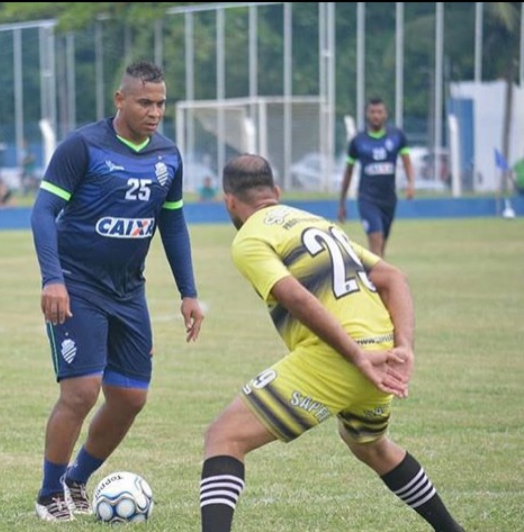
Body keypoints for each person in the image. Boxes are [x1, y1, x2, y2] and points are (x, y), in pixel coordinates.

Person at [199, 153, 465, 532]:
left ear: (228, 201)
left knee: (223, 438)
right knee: (370, 446)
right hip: (382, 351)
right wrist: (404, 347)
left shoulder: (250, 237)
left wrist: (357, 356)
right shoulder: (315, 222)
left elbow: (295, 297)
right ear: (276, 191)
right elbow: (392, 276)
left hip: (343, 356)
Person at [30, 60, 205, 522]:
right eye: (145, 102)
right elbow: (43, 212)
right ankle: (50, 493)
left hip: (129, 292)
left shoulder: (168, 156)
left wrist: (189, 292)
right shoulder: (83, 146)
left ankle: (76, 479)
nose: (154, 112)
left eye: (161, 103)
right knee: (82, 392)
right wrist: (53, 279)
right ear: (120, 100)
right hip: (78, 286)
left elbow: (173, 223)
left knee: (130, 398)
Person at [338, 97, 415, 258]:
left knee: (381, 249)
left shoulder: (397, 137)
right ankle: (375, 283)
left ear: (386, 114)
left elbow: (407, 162)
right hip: (367, 199)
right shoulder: (358, 141)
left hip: (389, 200)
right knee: (376, 244)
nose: (376, 116)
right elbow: (348, 172)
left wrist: (410, 184)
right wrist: (342, 203)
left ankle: (375, 280)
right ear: (367, 114)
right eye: (372, 112)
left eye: (379, 112)